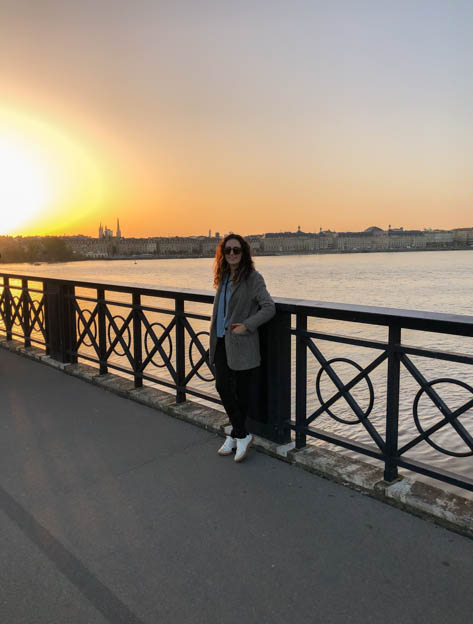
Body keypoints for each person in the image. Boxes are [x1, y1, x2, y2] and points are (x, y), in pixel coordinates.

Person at [209, 234, 276, 462]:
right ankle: (240, 433)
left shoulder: (253, 278)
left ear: (244, 253)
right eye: (228, 251)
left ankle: (237, 434)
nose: (232, 254)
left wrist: (247, 325)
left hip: (240, 342)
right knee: (222, 386)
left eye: (236, 250)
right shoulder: (224, 276)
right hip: (220, 340)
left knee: (240, 391)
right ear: (223, 254)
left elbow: (268, 308)